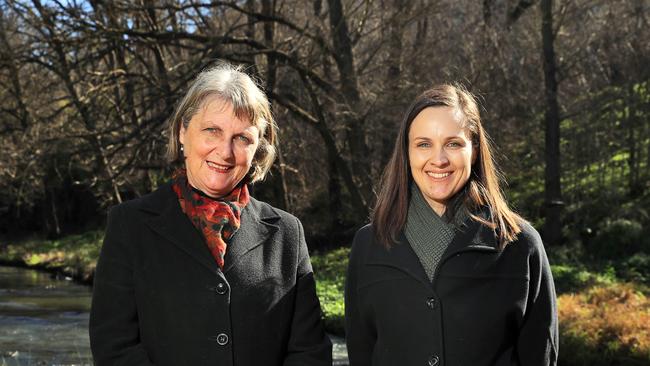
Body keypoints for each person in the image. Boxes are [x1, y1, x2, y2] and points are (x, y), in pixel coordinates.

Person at [90, 63, 332, 366]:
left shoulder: (286, 233)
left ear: (257, 148)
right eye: (211, 131)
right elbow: (114, 347)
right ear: (182, 132)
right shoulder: (130, 225)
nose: (225, 151)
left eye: (242, 138)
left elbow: (309, 352)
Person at [345, 84, 558, 366]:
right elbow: (361, 352)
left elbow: (540, 354)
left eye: (453, 143)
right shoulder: (369, 245)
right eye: (423, 144)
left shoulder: (520, 245)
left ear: (474, 150)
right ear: (406, 154)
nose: (439, 159)